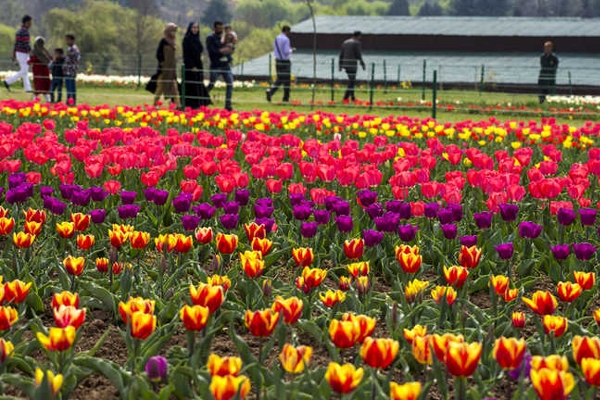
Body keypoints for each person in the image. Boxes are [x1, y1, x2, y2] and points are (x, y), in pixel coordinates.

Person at [182, 22, 211, 109]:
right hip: (190, 66)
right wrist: (191, 66)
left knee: (199, 84)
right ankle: (191, 104)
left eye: (197, 28)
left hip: (198, 65)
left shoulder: (197, 40)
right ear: (190, 28)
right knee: (191, 85)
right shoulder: (186, 40)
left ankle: (200, 103)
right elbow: (186, 55)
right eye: (193, 28)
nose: (195, 29)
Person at [206, 21, 233, 111]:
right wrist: (221, 50)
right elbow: (212, 51)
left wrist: (230, 51)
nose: (220, 30)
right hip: (215, 65)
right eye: (218, 28)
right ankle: (202, 98)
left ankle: (228, 105)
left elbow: (230, 47)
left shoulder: (225, 37)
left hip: (225, 65)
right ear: (214, 28)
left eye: (221, 28)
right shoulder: (210, 38)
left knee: (230, 84)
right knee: (211, 84)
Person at [3, 15, 33, 93]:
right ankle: (8, 81)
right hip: (23, 53)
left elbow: (16, 44)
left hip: (19, 53)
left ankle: (28, 88)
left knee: (25, 71)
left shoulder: (19, 31)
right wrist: (32, 52)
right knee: (24, 70)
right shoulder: (25, 32)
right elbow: (26, 44)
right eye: (30, 22)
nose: (31, 24)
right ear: (26, 22)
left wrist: (14, 54)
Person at [154, 23, 181, 108]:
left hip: (172, 70)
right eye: (172, 30)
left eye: (174, 31)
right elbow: (158, 54)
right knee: (160, 88)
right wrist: (163, 64)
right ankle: (155, 104)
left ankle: (178, 105)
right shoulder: (163, 41)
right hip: (163, 70)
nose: (174, 32)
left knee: (175, 88)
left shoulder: (173, 41)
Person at [266, 26, 294, 103]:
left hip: (278, 61)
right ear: (286, 31)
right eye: (289, 32)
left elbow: (275, 49)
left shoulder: (276, 39)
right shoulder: (286, 39)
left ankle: (271, 91)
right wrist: (291, 50)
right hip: (285, 61)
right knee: (287, 81)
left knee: (280, 78)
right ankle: (285, 98)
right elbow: (286, 51)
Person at [339, 31, 366, 103]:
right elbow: (358, 54)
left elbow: (341, 54)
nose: (361, 38)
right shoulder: (357, 43)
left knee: (351, 81)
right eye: (360, 36)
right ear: (358, 36)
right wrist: (362, 64)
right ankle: (346, 98)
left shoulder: (345, 42)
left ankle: (352, 98)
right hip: (352, 64)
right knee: (352, 82)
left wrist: (340, 65)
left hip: (345, 64)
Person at [29, 36, 52, 102]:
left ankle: (48, 99)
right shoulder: (34, 51)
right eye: (39, 42)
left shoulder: (44, 51)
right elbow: (33, 59)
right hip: (37, 70)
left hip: (44, 70)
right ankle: (35, 99)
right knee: (38, 84)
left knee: (45, 84)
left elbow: (49, 59)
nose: (40, 44)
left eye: (41, 42)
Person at [64, 34, 81, 105]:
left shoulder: (74, 49)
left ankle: (71, 101)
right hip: (68, 70)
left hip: (71, 70)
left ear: (72, 40)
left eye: (68, 40)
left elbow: (69, 59)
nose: (67, 42)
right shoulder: (69, 48)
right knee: (68, 87)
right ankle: (69, 101)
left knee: (71, 87)